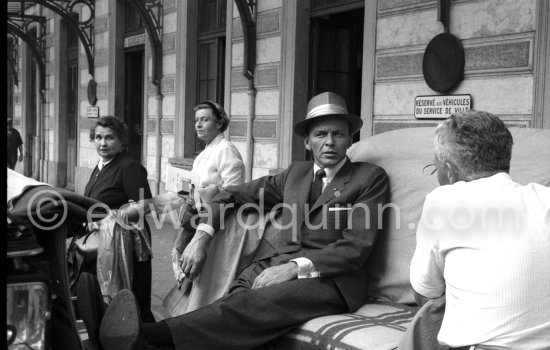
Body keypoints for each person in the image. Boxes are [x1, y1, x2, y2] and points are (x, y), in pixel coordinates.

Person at [99, 91, 390, 350]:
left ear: (350, 138)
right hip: (274, 262)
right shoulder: (295, 174)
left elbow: (356, 247)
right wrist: (203, 233)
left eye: (338, 134)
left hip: (333, 281)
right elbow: (231, 194)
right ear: (307, 140)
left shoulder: (369, 178)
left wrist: (293, 268)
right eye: (321, 134)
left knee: (252, 303)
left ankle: (152, 337)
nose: (329, 142)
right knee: (239, 290)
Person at [409, 110, 550, 349]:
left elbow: (426, 293)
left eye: (436, 169)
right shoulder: (544, 197)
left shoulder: (443, 201)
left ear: (450, 171)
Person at [168, 100, 245, 313]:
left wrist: (209, 194)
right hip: (198, 218)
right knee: (193, 274)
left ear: (219, 123)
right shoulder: (203, 155)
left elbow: (234, 191)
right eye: (196, 120)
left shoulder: (226, 150)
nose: (199, 125)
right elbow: (196, 188)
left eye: (205, 119)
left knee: (210, 279)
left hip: (219, 222)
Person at [80, 116, 156, 322]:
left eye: (109, 138)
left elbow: (145, 205)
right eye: (98, 137)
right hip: (104, 244)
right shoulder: (100, 167)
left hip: (127, 247)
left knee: (131, 301)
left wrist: (111, 216)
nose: (103, 143)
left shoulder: (129, 167)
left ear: (121, 141)